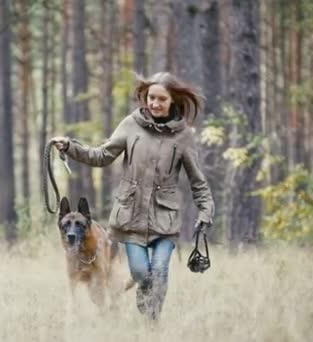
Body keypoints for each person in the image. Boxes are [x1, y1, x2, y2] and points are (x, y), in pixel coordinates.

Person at [51, 72, 215, 320]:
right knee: (140, 272)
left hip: (165, 219)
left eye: (162, 99)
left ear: (173, 101)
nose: (155, 103)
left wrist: (205, 211)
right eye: (151, 97)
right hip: (131, 217)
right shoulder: (131, 125)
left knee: (159, 270)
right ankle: (145, 295)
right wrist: (70, 147)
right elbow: (101, 155)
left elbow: (197, 181)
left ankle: (152, 321)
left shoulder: (184, 136)